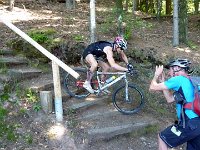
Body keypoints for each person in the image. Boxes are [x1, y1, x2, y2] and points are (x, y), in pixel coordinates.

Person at [149, 58, 200, 150]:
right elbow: (169, 99)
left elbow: (152, 87)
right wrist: (162, 81)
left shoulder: (179, 79)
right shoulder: (191, 82)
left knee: (162, 138)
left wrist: (156, 75)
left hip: (188, 124)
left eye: (170, 69)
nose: (169, 72)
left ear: (177, 68)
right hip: (197, 124)